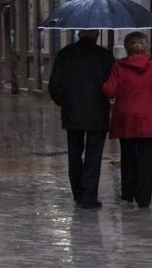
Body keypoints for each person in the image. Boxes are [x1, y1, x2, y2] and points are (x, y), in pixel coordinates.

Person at [102, 32, 152, 209]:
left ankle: (128, 192)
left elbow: (109, 91)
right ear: (146, 46)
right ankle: (144, 197)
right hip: (151, 119)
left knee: (128, 157)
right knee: (149, 160)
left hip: (127, 120)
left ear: (127, 47)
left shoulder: (119, 67)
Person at [49, 29, 114, 210]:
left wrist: (64, 102)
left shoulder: (65, 54)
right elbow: (112, 84)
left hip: (73, 111)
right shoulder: (105, 56)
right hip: (97, 111)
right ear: (97, 35)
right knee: (94, 154)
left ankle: (78, 192)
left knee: (74, 153)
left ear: (79, 34)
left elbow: (54, 85)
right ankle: (89, 196)